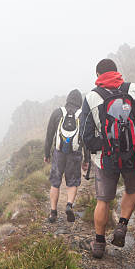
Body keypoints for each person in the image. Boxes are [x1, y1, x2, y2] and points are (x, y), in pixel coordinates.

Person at [80, 59, 135, 258]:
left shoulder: (92, 97)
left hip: (105, 160)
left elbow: (86, 136)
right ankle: (122, 225)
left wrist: (106, 144)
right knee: (132, 190)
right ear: (117, 72)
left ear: (98, 75)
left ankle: (99, 244)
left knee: (103, 201)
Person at [44, 89, 86, 223]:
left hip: (59, 153)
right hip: (75, 154)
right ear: (80, 102)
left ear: (67, 99)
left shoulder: (57, 113)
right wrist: (87, 160)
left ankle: (53, 212)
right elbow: (86, 139)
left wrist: (46, 154)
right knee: (72, 182)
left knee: (55, 183)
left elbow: (49, 135)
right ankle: (69, 205)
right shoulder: (82, 115)